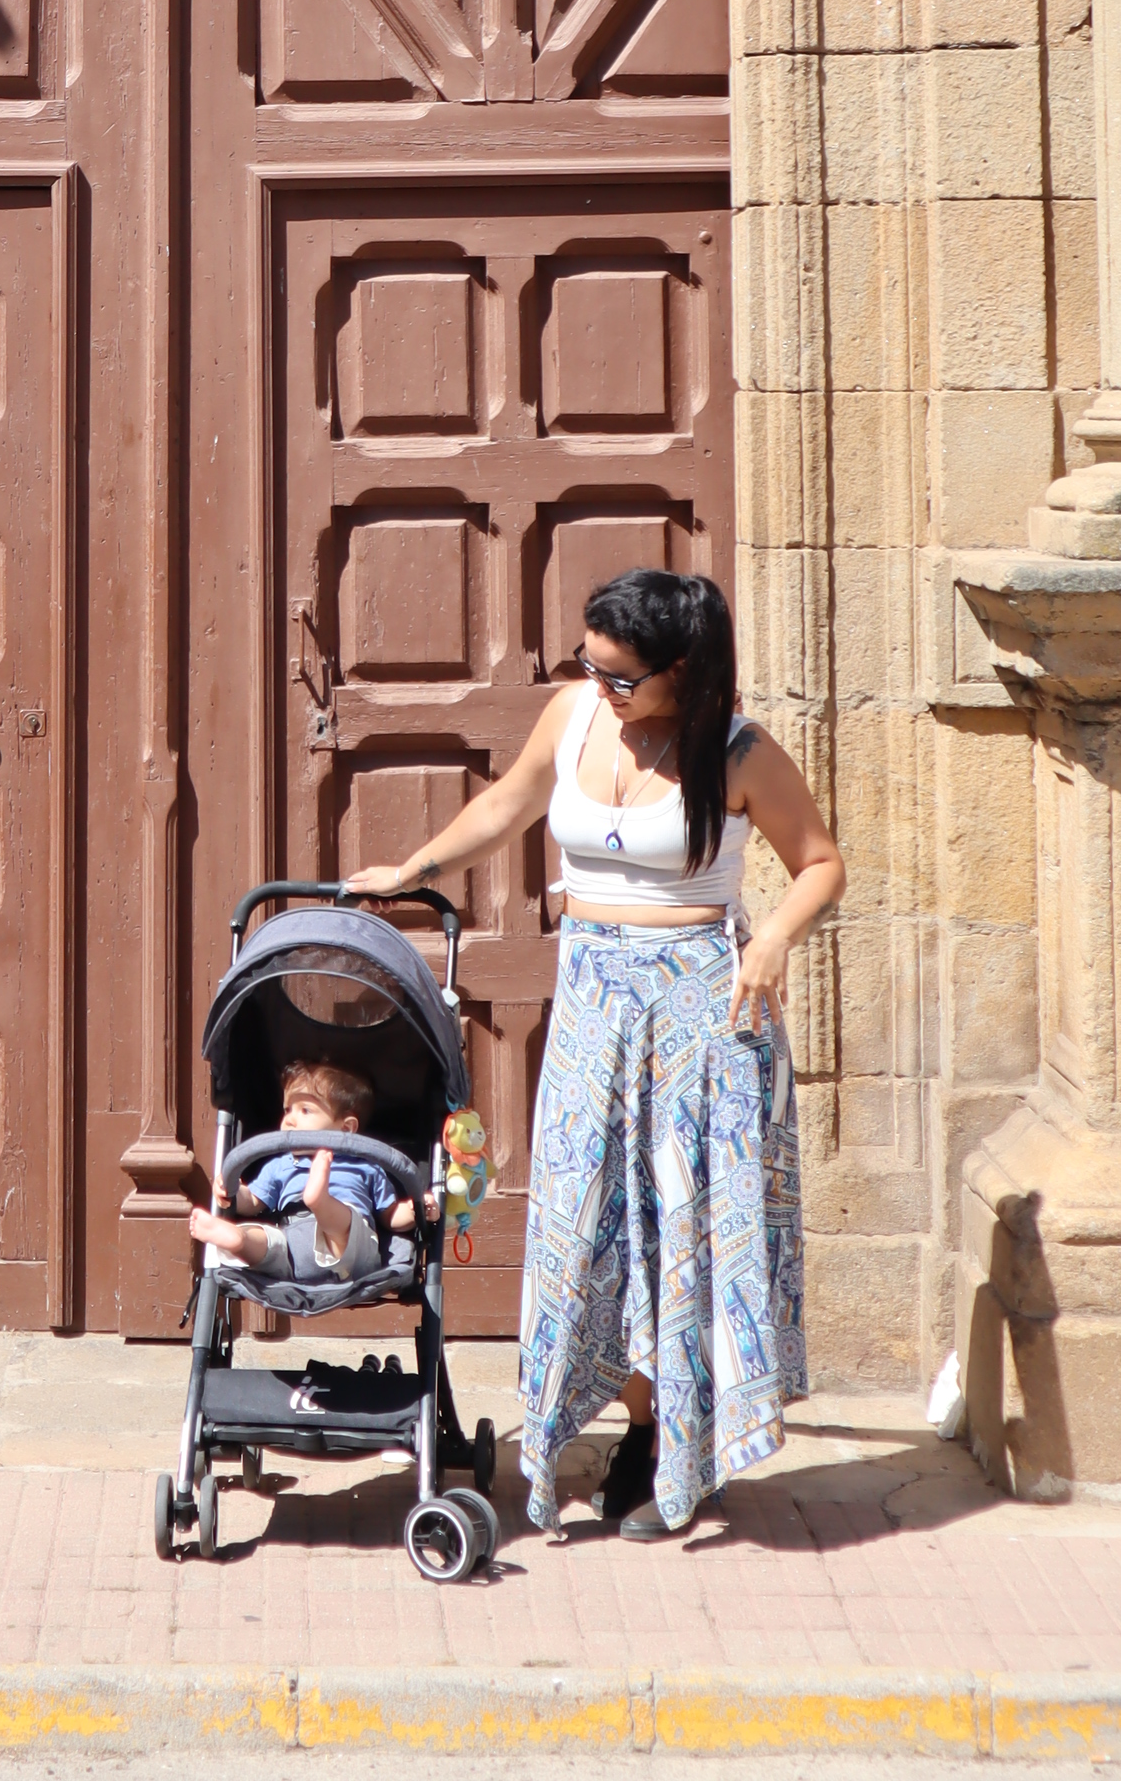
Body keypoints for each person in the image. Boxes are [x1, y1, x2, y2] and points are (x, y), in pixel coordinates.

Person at [347, 566, 843, 1539]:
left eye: (623, 676)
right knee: (590, 1224)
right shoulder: (574, 714)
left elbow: (821, 863)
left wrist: (777, 937)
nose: (602, 686)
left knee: (680, 1229)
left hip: (701, 1014)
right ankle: (625, 1426)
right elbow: (506, 806)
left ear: (681, 671)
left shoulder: (738, 751)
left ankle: (665, 1445)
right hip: (590, 1009)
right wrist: (411, 871)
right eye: (593, 664)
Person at [187, 1055, 420, 1288]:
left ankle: (321, 1201)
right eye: (287, 1109)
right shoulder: (281, 1164)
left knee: (346, 1228)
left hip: (349, 1255)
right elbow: (254, 1201)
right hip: (293, 1245)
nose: (289, 1120)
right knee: (270, 1240)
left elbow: (390, 1215)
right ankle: (240, 1239)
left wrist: (414, 1211)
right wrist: (233, 1191)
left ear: (346, 1127)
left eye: (305, 1110)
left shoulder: (365, 1165)